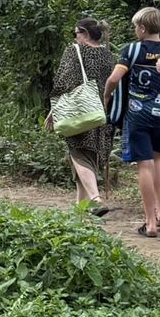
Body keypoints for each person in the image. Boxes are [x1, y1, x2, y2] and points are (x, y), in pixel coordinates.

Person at [104, 7, 160, 237]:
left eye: (135, 27)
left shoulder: (131, 50)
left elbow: (114, 79)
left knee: (145, 165)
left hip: (138, 114)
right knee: (159, 160)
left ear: (142, 27)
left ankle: (150, 222)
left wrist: (107, 95)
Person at [46, 18, 116, 214]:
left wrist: (53, 111)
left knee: (78, 153)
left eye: (76, 33)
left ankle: (95, 199)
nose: (75, 37)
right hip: (100, 112)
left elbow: (63, 82)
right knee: (89, 157)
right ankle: (80, 211)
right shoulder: (108, 55)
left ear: (84, 33)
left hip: (77, 111)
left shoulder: (74, 52)